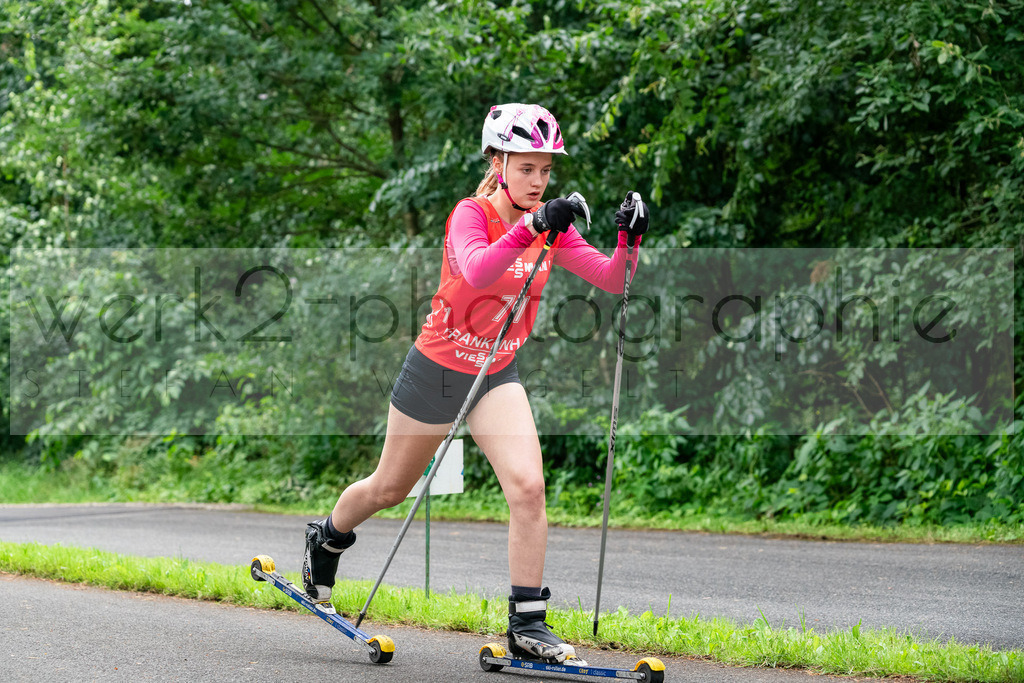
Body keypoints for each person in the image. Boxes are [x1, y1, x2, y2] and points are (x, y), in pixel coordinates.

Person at [301, 103, 649, 664]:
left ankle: (528, 626)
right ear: (498, 160)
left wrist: (627, 239)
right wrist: (535, 225)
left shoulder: (551, 228)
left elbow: (613, 279)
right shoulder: (471, 214)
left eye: (546, 171)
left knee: (529, 489)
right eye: (527, 167)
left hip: (495, 372)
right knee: (389, 489)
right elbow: (478, 269)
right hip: (437, 371)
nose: (538, 181)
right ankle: (328, 538)